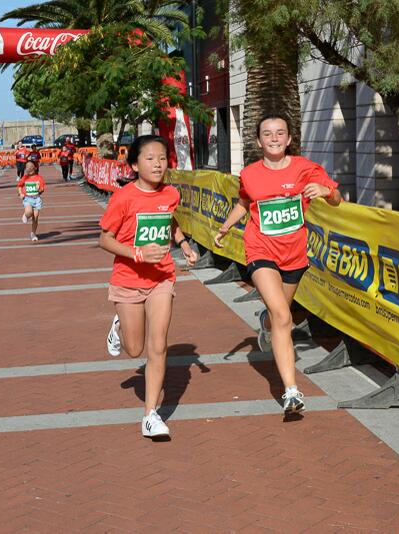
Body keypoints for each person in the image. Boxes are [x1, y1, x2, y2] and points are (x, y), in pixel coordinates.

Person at [214, 115, 342, 415]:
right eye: (267, 134)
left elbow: (337, 198)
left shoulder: (305, 168)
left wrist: (326, 192)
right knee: (284, 316)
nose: (273, 138)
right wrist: (226, 226)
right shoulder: (249, 173)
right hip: (260, 248)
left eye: (279, 133)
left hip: (295, 254)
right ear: (258, 141)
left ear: (288, 139)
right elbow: (245, 203)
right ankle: (291, 391)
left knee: (278, 317)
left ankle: (266, 324)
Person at [99, 135, 198, 439]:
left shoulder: (170, 194)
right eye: (149, 158)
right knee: (134, 349)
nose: (157, 164)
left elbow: (170, 221)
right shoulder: (124, 198)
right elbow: (104, 239)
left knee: (158, 345)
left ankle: (150, 415)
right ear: (134, 164)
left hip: (161, 277)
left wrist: (183, 244)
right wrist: (137, 253)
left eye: (161, 158)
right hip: (128, 280)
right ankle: (118, 328)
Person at [17, 160, 46, 242]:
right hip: (27, 199)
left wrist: (39, 189)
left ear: (35, 168)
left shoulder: (39, 178)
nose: (28, 168)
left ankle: (33, 233)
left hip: (37, 199)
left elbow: (42, 189)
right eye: (27, 167)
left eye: (30, 166)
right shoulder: (25, 177)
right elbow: (19, 186)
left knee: (35, 217)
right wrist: (20, 194)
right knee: (29, 211)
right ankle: (26, 215)